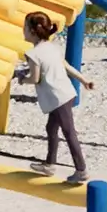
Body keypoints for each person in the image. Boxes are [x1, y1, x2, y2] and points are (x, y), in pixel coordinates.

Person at [18, 10, 94, 183]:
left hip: (57, 97)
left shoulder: (33, 54)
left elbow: (35, 78)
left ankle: (81, 170)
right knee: (51, 128)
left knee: (69, 132)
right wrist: (84, 81)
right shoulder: (51, 47)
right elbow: (66, 66)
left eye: (24, 27)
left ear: (32, 31)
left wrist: (23, 79)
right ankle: (49, 164)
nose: (22, 31)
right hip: (66, 94)